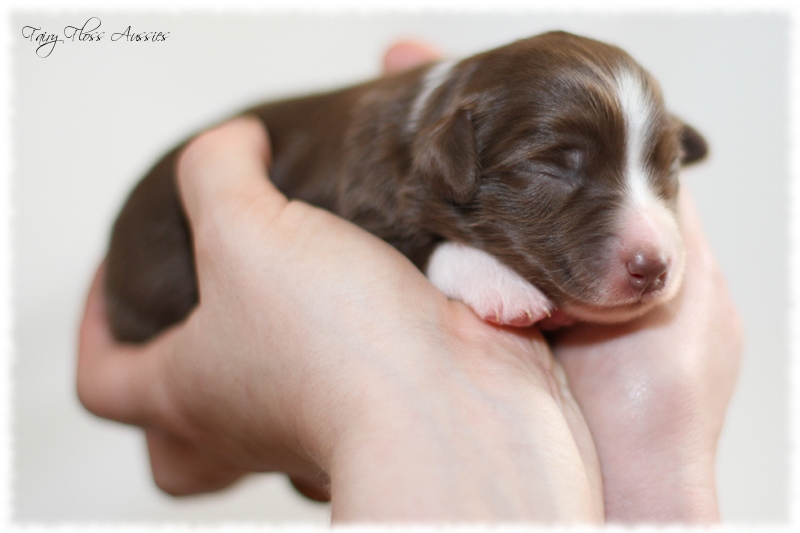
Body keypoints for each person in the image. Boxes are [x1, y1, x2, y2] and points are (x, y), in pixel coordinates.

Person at [76, 42, 742, 523]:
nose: (651, 240)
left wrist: (648, 448)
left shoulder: (471, 124)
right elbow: (360, 228)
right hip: (166, 275)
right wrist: (446, 267)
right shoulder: (390, 159)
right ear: (453, 155)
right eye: (560, 166)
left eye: (660, 170)